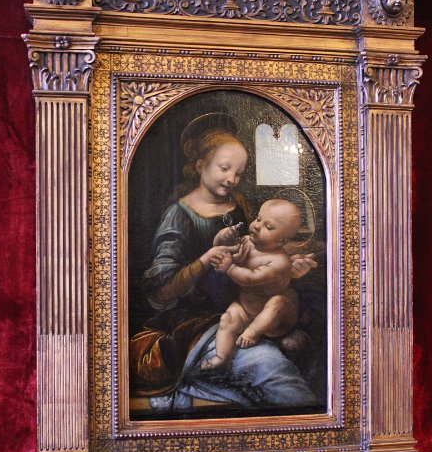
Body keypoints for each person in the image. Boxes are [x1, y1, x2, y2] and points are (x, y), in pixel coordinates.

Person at [129, 112, 321, 412]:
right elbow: (160, 290)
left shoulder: (239, 204)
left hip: (250, 305)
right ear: (200, 165)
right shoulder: (179, 215)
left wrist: (287, 268)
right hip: (199, 322)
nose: (232, 179)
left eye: (239, 173)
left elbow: (262, 250)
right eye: (224, 168)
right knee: (275, 372)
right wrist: (207, 258)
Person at [202, 199, 302, 371]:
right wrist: (221, 240)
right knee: (227, 319)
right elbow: (228, 252)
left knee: (278, 302)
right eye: (258, 219)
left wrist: (229, 267)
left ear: (282, 241)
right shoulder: (248, 242)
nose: (256, 226)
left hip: (277, 321)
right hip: (247, 309)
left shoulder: (279, 261)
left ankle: (253, 332)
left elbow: (250, 278)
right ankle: (221, 358)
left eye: (268, 227)